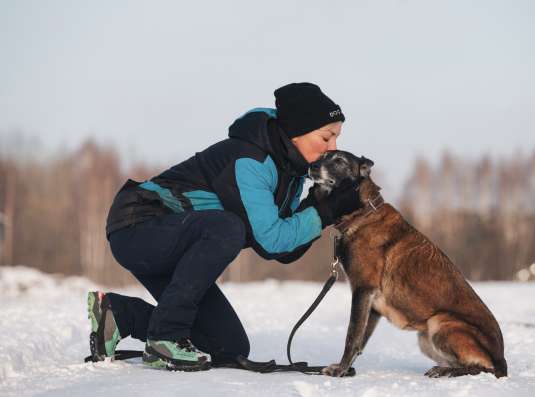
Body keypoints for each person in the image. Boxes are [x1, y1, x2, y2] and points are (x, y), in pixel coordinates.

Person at [87, 82, 363, 371]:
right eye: (327, 137)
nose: (333, 148)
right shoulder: (250, 160)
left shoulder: (291, 173)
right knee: (228, 227)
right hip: (138, 226)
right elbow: (271, 240)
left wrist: (320, 208)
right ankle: (165, 338)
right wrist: (323, 212)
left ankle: (120, 315)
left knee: (227, 346)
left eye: (337, 139)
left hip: (177, 244)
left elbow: (283, 251)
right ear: (297, 132)